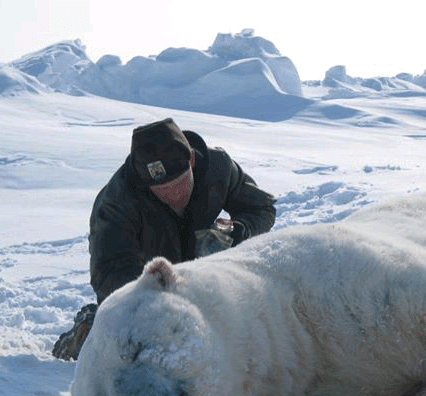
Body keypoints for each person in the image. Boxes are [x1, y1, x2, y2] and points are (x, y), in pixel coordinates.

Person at [52, 117, 276, 360]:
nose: (172, 194)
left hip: (205, 279)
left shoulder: (217, 167)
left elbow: (261, 208)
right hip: (148, 287)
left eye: (178, 183)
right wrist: (160, 291)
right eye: (160, 188)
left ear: (191, 160)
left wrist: (240, 229)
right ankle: (90, 330)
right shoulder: (116, 202)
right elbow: (108, 274)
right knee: (134, 350)